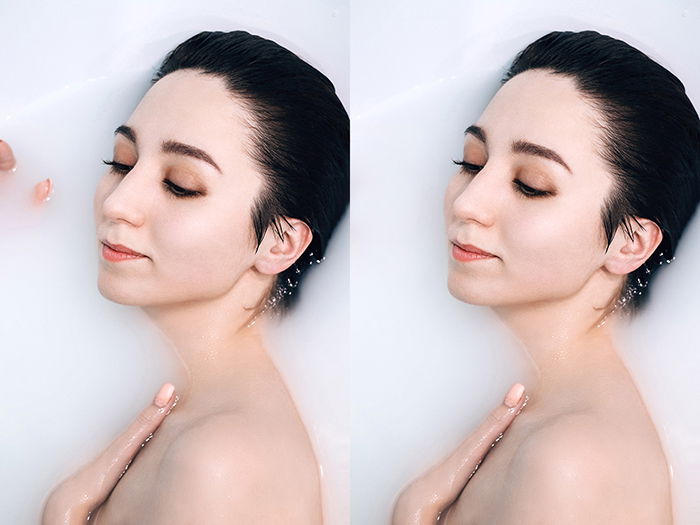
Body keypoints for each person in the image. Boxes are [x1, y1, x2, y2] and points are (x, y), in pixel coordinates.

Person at [40, 29, 348, 524]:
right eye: (121, 162)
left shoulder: (217, 461)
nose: (118, 203)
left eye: (180, 186)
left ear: (279, 242)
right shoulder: (193, 403)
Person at [394, 30, 699, 524]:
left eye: (530, 185)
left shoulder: (569, 461)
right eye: (471, 163)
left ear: (630, 241)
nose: (468, 203)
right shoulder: (556, 419)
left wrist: (411, 515)